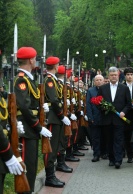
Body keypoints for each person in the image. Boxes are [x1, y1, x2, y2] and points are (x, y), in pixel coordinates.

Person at [14, 47, 52, 192]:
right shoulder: (21, 80)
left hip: (31, 129)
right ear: (30, 60)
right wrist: (38, 126)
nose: (35, 60)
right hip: (27, 129)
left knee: (32, 166)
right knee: (27, 168)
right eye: (35, 58)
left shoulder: (29, 79)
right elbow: (24, 107)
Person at [43, 57, 71, 188]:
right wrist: (61, 116)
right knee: (51, 148)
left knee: (56, 147)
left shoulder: (53, 80)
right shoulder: (49, 80)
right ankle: (49, 176)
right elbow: (54, 100)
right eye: (58, 64)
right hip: (53, 118)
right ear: (55, 66)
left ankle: (52, 174)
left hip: (56, 117)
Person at [97, 67, 132, 169]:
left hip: (119, 119)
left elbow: (128, 104)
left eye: (115, 75)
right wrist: (104, 108)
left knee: (119, 140)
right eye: (111, 75)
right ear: (108, 76)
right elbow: (98, 102)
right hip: (107, 119)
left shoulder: (124, 88)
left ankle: (118, 160)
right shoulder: (103, 88)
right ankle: (111, 159)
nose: (113, 77)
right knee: (109, 140)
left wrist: (123, 112)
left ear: (118, 75)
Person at [55, 65, 74, 173]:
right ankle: (60, 163)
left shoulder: (62, 85)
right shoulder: (58, 84)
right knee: (60, 141)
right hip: (59, 115)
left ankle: (62, 161)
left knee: (64, 139)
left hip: (63, 114)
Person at [86, 75, 104, 162]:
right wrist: (90, 117)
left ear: (103, 81)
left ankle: (104, 153)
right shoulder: (90, 91)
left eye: (100, 80)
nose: (99, 81)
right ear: (94, 82)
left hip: (104, 117)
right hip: (94, 117)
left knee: (104, 136)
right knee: (95, 137)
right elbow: (88, 105)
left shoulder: (106, 89)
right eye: (97, 80)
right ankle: (96, 154)